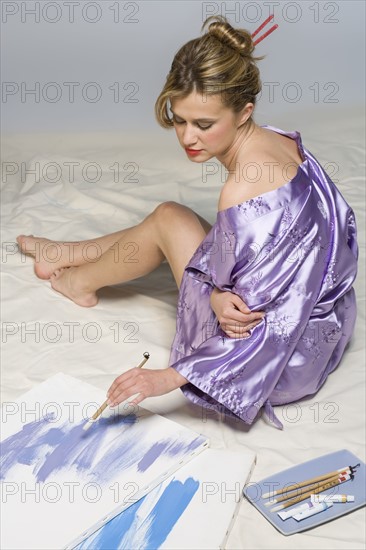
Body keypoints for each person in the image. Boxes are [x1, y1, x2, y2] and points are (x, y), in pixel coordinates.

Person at [16, 16, 357, 428]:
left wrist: (167, 378)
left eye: (204, 124)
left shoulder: (243, 189)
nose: (187, 137)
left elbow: (259, 327)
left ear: (244, 111)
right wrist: (217, 290)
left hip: (275, 364)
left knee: (168, 218)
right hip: (326, 332)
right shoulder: (281, 141)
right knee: (170, 218)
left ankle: (77, 281)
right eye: (179, 119)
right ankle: (66, 254)